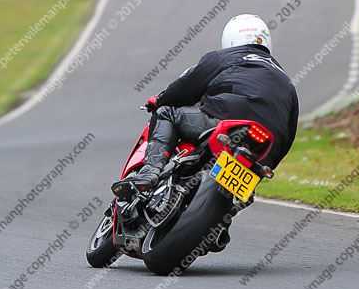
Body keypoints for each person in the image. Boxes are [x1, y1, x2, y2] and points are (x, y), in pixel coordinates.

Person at [112, 14, 299, 199]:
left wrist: (160, 100)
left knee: (166, 114)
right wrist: (270, 160)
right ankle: (219, 227)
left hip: (225, 125)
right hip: (263, 149)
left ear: (230, 39)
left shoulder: (223, 57)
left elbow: (185, 88)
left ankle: (150, 172)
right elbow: (290, 131)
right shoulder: (285, 79)